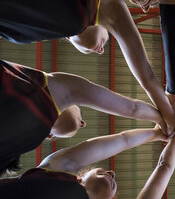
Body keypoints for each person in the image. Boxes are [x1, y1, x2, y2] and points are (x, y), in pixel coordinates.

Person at [0, 0, 175, 134]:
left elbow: (145, 81)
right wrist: (170, 116)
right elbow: (146, 76)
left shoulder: (35, 30)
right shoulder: (105, 3)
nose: (146, 8)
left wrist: (167, 117)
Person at [0, 125, 166, 199]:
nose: (112, 173)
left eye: (112, 178)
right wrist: (158, 132)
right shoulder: (56, 170)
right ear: (81, 176)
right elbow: (124, 140)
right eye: (102, 170)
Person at [0, 59, 166, 175]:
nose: (84, 123)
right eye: (82, 113)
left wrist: (159, 131)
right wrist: (163, 119)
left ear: (50, 134)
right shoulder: (53, 89)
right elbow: (132, 108)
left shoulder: (25, 143)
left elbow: (125, 136)